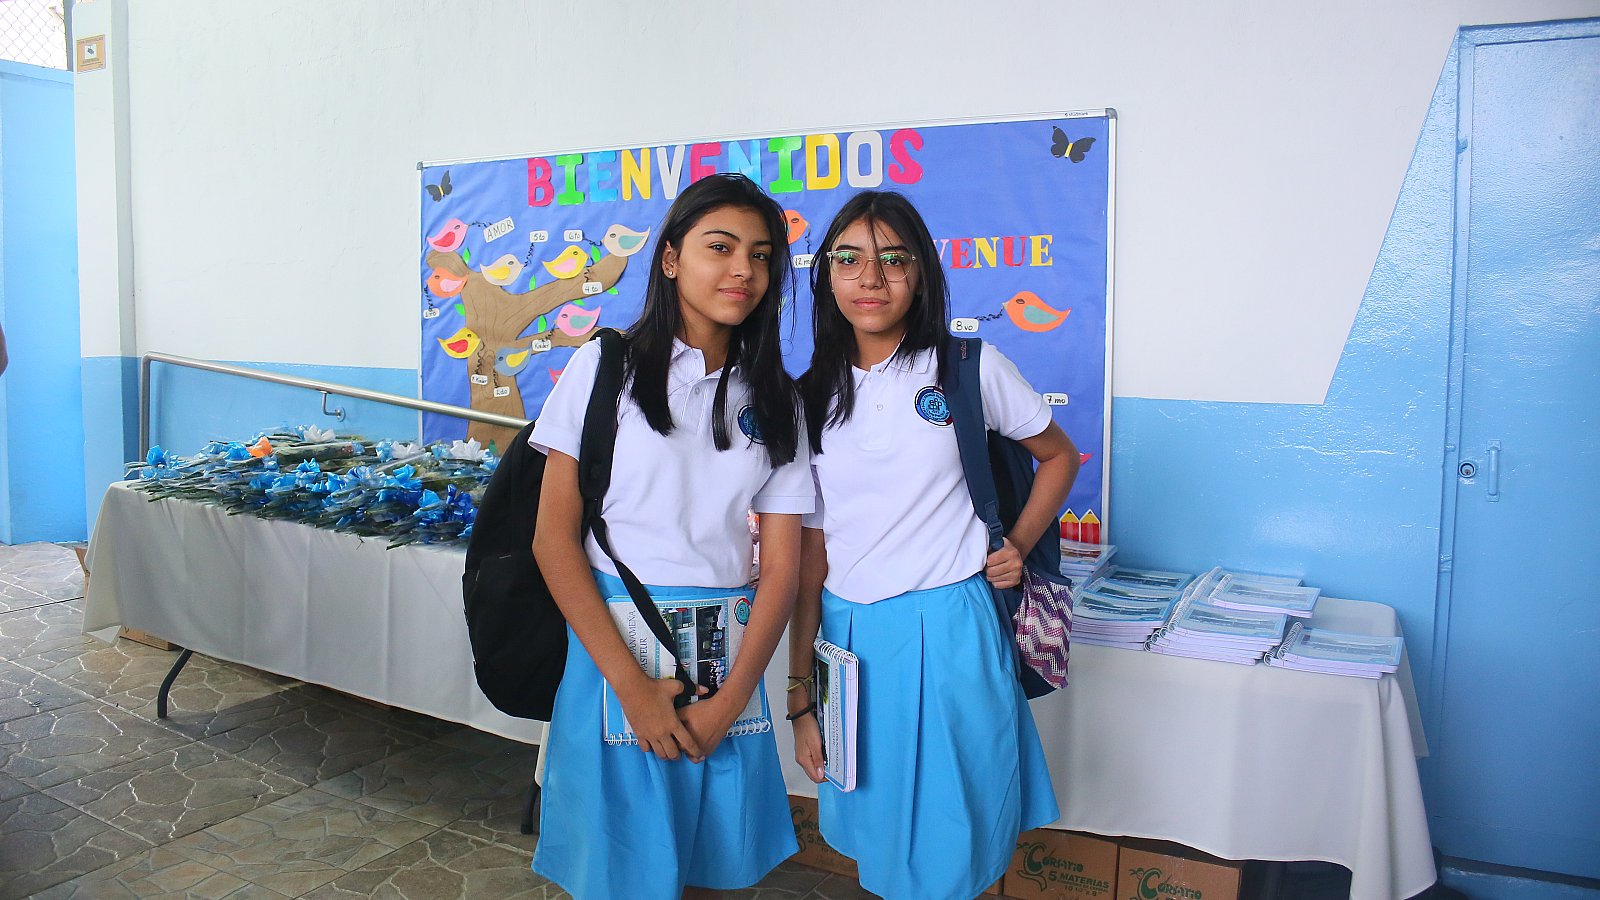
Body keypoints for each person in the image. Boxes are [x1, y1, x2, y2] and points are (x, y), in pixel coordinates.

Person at [788, 190, 1080, 900]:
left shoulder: (967, 368)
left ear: (921, 273)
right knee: (879, 827)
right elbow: (812, 555)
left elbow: (1059, 456)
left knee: (954, 830)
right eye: (849, 259)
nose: (871, 278)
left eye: (894, 259)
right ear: (826, 275)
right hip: (848, 637)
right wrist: (801, 697)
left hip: (950, 626)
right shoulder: (808, 395)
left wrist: (1018, 542)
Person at [530, 173, 810, 899]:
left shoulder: (776, 397)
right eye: (720, 247)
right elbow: (553, 540)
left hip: (725, 665)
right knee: (619, 868)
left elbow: (782, 568)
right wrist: (633, 689)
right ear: (671, 259)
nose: (743, 270)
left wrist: (731, 700)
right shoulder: (605, 367)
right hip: (614, 658)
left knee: (713, 863)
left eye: (760, 254)